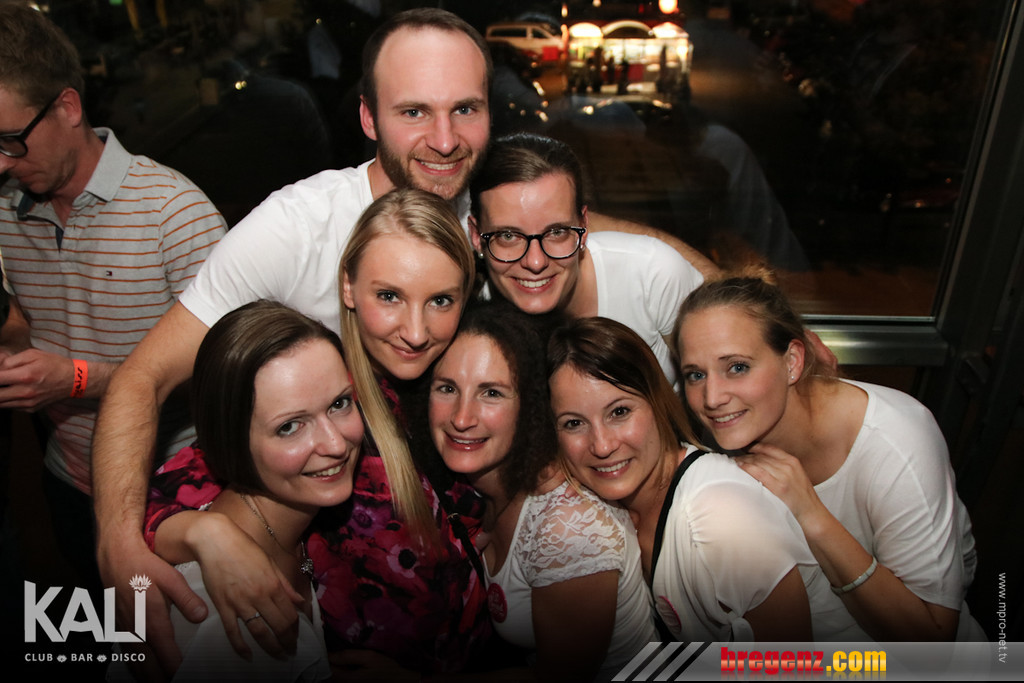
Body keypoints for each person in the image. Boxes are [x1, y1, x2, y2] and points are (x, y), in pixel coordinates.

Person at [91, 7, 716, 665]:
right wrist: (129, 542)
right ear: (368, 118)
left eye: (465, 110)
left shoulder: (485, 215)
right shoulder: (295, 231)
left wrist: (732, 298)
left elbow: (573, 225)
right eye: (414, 111)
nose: (444, 140)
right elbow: (146, 380)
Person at [139, 188, 492, 678]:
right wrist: (203, 533)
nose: (416, 332)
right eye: (389, 296)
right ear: (348, 286)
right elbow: (169, 492)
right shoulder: (319, 385)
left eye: (441, 300)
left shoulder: (467, 374)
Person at [0, 3, 225, 590]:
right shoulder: (5, 211)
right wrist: (16, 346)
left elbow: (229, 378)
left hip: (173, 488)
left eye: (10, 140)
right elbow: (26, 314)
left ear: (68, 107)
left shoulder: (174, 213)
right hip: (68, 478)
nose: (1, 162)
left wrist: (76, 379)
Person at [673, 270, 985, 641]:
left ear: (792, 362)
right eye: (695, 375)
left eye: (737, 367)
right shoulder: (726, 424)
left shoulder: (896, 441)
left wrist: (812, 514)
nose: (712, 398)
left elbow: (932, 638)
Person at [547, 317, 867, 642]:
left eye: (619, 412)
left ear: (657, 402)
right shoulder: (601, 509)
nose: (602, 446)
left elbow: (789, 662)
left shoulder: (719, 516)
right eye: (574, 423)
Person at [110, 300, 362, 681]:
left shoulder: (282, 528)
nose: (336, 444)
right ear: (231, 440)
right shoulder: (222, 616)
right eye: (290, 427)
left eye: (339, 404)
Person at [417, 301, 656, 681]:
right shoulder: (480, 492)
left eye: (491, 393)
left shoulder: (567, 528)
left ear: (530, 406)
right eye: (447, 388)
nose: (461, 418)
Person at [468, 133, 704, 385]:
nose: (535, 262)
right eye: (508, 236)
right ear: (476, 236)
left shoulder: (651, 276)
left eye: (556, 232)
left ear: (584, 226)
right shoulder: (467, 318)